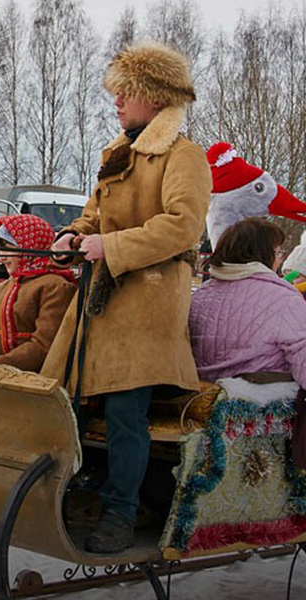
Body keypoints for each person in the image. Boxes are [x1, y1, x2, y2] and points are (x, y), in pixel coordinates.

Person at [42, 42, 212, 554]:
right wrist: (71, 237)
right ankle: (72, 493)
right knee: (65, 403)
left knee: (123, 415)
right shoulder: (118, 153)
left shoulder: (184, 156)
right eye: (116, 92)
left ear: (156, 98)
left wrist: (109, 246)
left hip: (146, 311)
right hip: (100, 307)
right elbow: (94, 218)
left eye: (127, 92)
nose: (116, 101)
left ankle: (121, 514)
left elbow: (183, 227)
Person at [190, 218, 306, 387]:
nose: (279, 261)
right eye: (278, 253)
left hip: (200, 397)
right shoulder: (284, 300)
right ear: (265, 254)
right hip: (264, 400)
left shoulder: (200, 296)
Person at [0, 214, 76, 372]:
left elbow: (44, 346)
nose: (2, 257)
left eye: (9, 250)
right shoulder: (1, 289)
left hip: (39, 382)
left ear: (30, 246)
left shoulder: (55, 286)